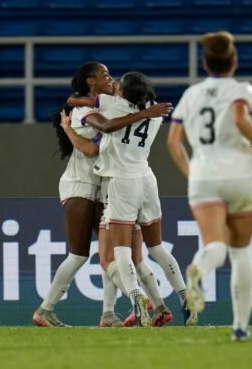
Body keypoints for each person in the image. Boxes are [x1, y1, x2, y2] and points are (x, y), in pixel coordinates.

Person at [32, 62, 171, 328]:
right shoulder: (83, 111)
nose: (110, 78)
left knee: (112, 253)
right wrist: (70, 131)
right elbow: (93, 149)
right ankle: (46, 309)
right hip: (80, 184)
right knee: (80, 254)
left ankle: (108, 313)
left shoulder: (103, 105)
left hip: (105, 187)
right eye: (104, 75)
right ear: (90, 81)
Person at [167, 31, 252, 342]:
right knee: (241, 254)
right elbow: (240, 117)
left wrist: (193, 175)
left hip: (203, 176)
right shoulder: (241, 89)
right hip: (238, 174)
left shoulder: (190, 95)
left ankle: (199, 269)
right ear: (234, 61)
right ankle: (240, 328)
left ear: (204, 63)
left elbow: (173, 143)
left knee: (214, 244)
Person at [77, 71, 183, 327]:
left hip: (119, 184)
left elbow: (79, 105)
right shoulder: (154, 111)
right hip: (145, 180)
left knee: (114, 254)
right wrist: (145, 111)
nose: (112, 81)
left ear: (122, 92)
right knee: (151, 250)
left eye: (117, 81)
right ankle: (180, 297)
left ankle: (136, 299)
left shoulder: (111, 105)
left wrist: (70, 128)